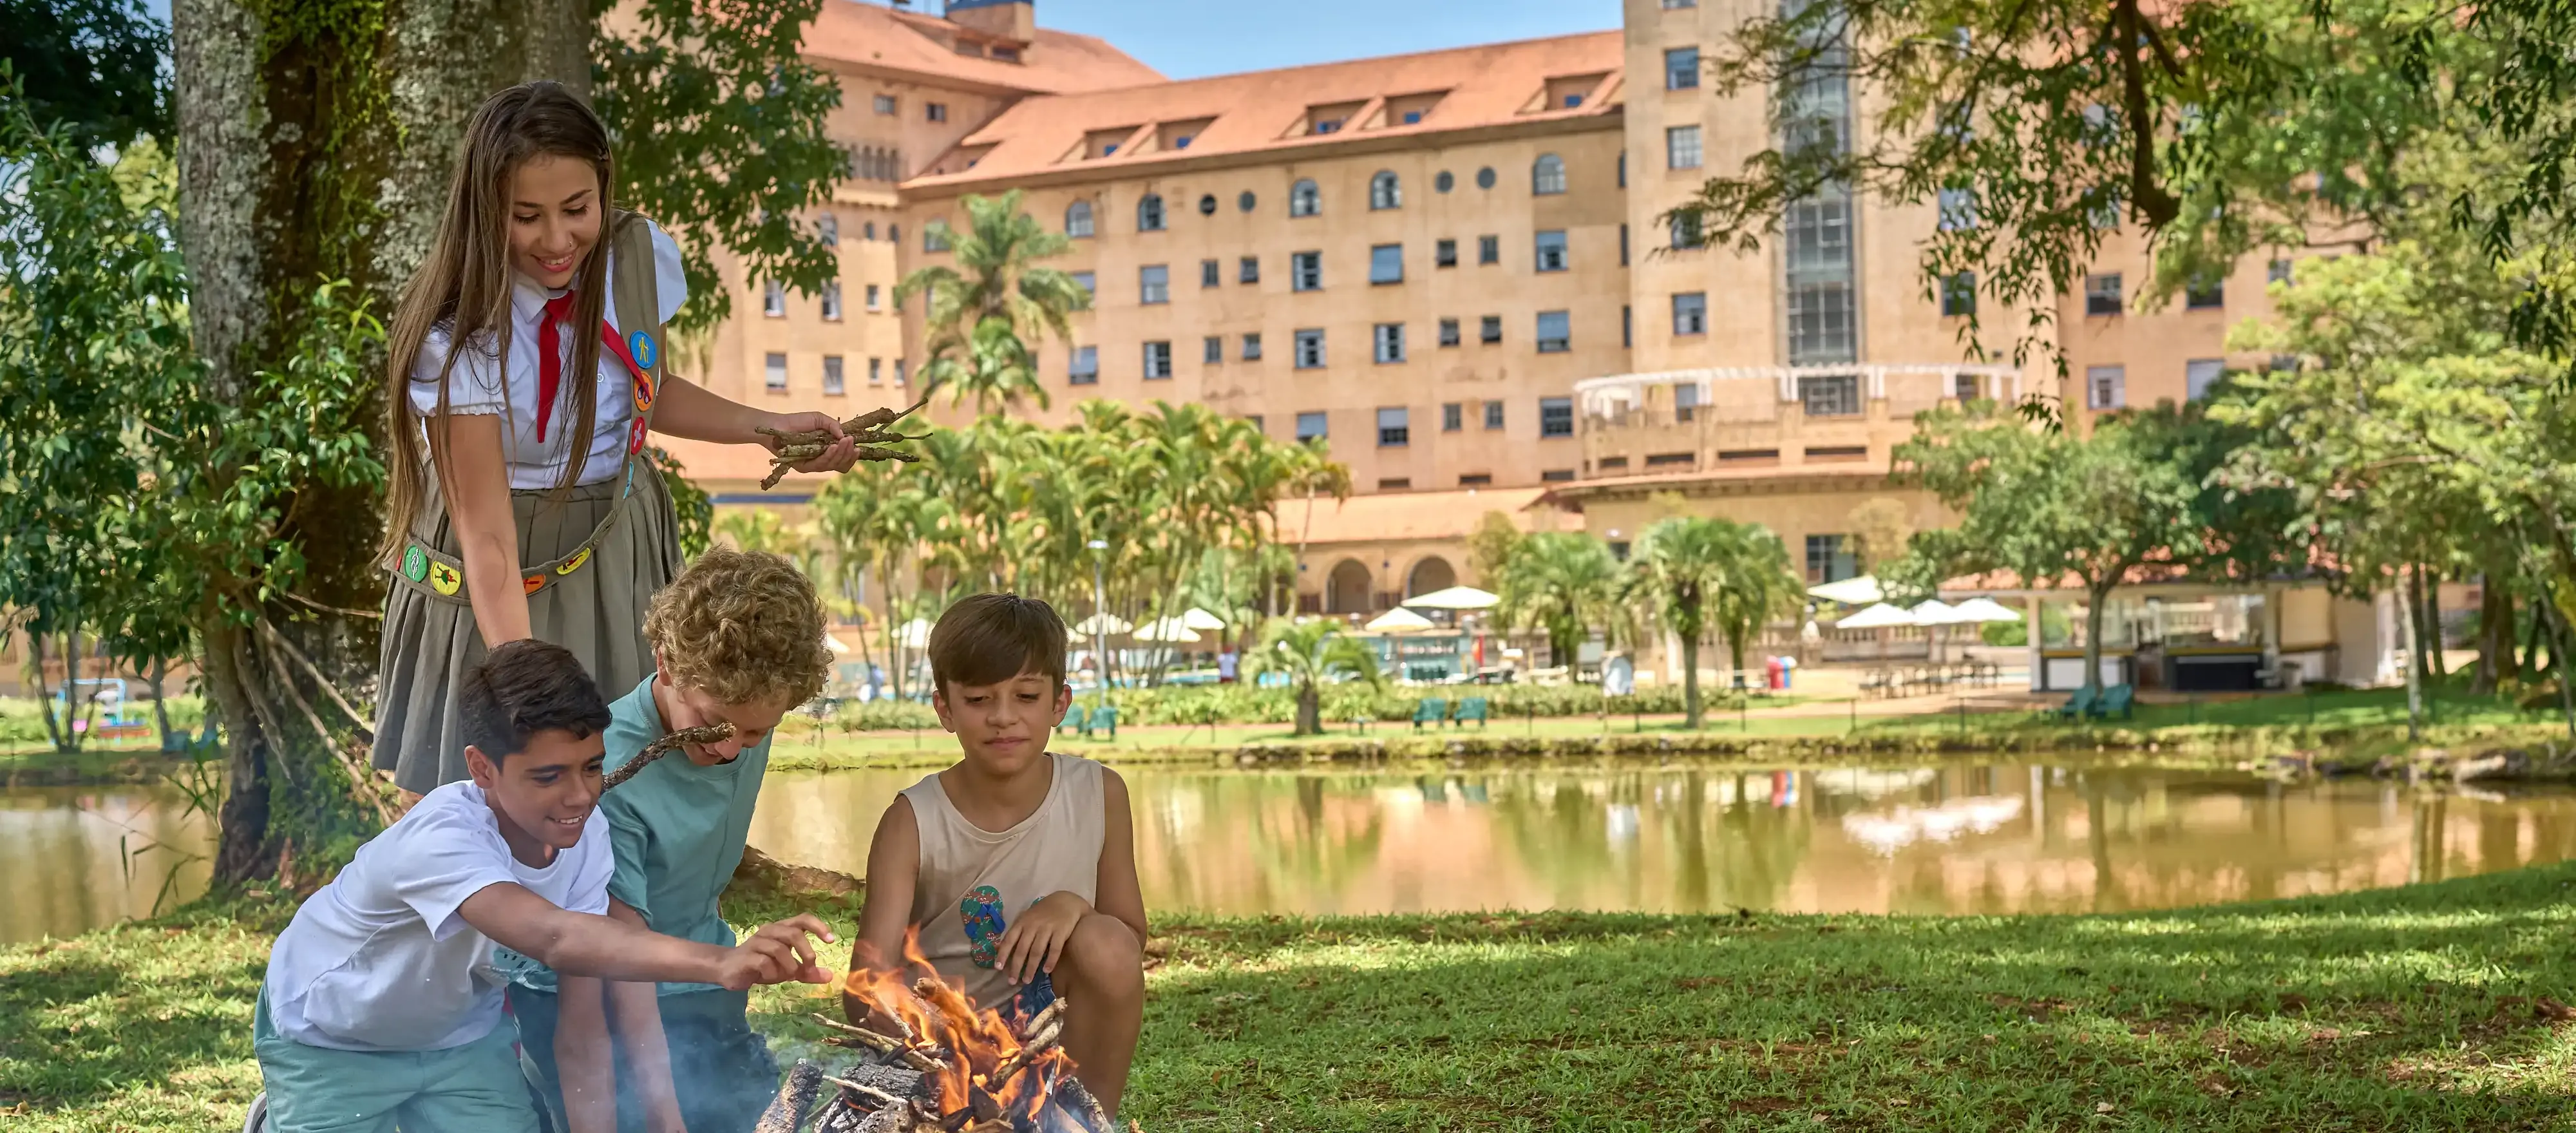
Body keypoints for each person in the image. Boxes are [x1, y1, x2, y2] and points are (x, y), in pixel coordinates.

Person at [372, 80, 861, 799]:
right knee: (503, 782)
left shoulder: (635, 257)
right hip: (503, 561)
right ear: (485, 209)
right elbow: (489, 538)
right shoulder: (455, 338)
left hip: (617, 543)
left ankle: (632, 873)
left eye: (577, 209)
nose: (556, 240)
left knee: (627, 774)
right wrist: (525, 680)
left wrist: (767, 429)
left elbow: (638, 387)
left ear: (603, 185)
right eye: (526, 217)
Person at [249, 640, 833, 1133]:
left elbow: (584, 1032)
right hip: (333, 1034)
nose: (580, 795)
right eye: (548, 775)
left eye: (591, 766)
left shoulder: (588, 836)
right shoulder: (442, 839)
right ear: (482, 768)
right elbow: (556, 937)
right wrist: (721, 962)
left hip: (461, 1038)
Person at [504, 547, 831, 1133]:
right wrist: (665, 1119)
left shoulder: (738, 712)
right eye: (712, 723)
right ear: (667, 665)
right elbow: (622, 964)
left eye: (756, 731)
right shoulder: (609, 775)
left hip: (703, 974)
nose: (729, 749)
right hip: (592, 997)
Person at [844, 594, 1148, 1117]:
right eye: (979, 699)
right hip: (944, 1045)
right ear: (945, 708)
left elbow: (1129, 942)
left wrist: (1073, 905)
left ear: (1059, 703)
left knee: (1104, 941)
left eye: (1026, 696)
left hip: (1048, 1027)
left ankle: (1082, 1124)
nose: (1004, 717)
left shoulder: (1100, 793)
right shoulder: (912, 820)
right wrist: (926, 1020)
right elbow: (864, 987)